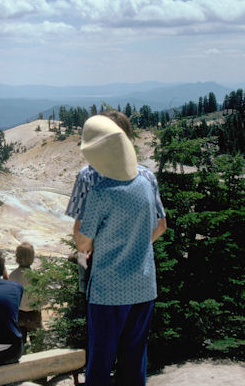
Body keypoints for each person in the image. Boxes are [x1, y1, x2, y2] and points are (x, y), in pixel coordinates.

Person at [74, 114, 167, 386]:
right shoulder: (146, 180)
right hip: (143, 284)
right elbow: (160, 226)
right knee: (135, 359)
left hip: (107, 288)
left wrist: (106, 245)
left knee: (101, 360)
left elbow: (82, 242)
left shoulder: (99, 188)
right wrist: (133, 244)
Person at [66, 110, 167, 292]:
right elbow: (160, 225)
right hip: (139, 274)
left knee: (94, 309)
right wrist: (133, 249)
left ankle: (83, 293)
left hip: (98, 270)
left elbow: (79, 231)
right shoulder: (147, 176)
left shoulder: (87, 176)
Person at [8, 242, 42, 345]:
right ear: (32, 257)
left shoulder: (12, 276)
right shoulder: (36, 276)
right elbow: (43, 297)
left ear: (17, 257)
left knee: (20, 345)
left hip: (19, 314)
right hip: (34, 314)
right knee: (37, 345)